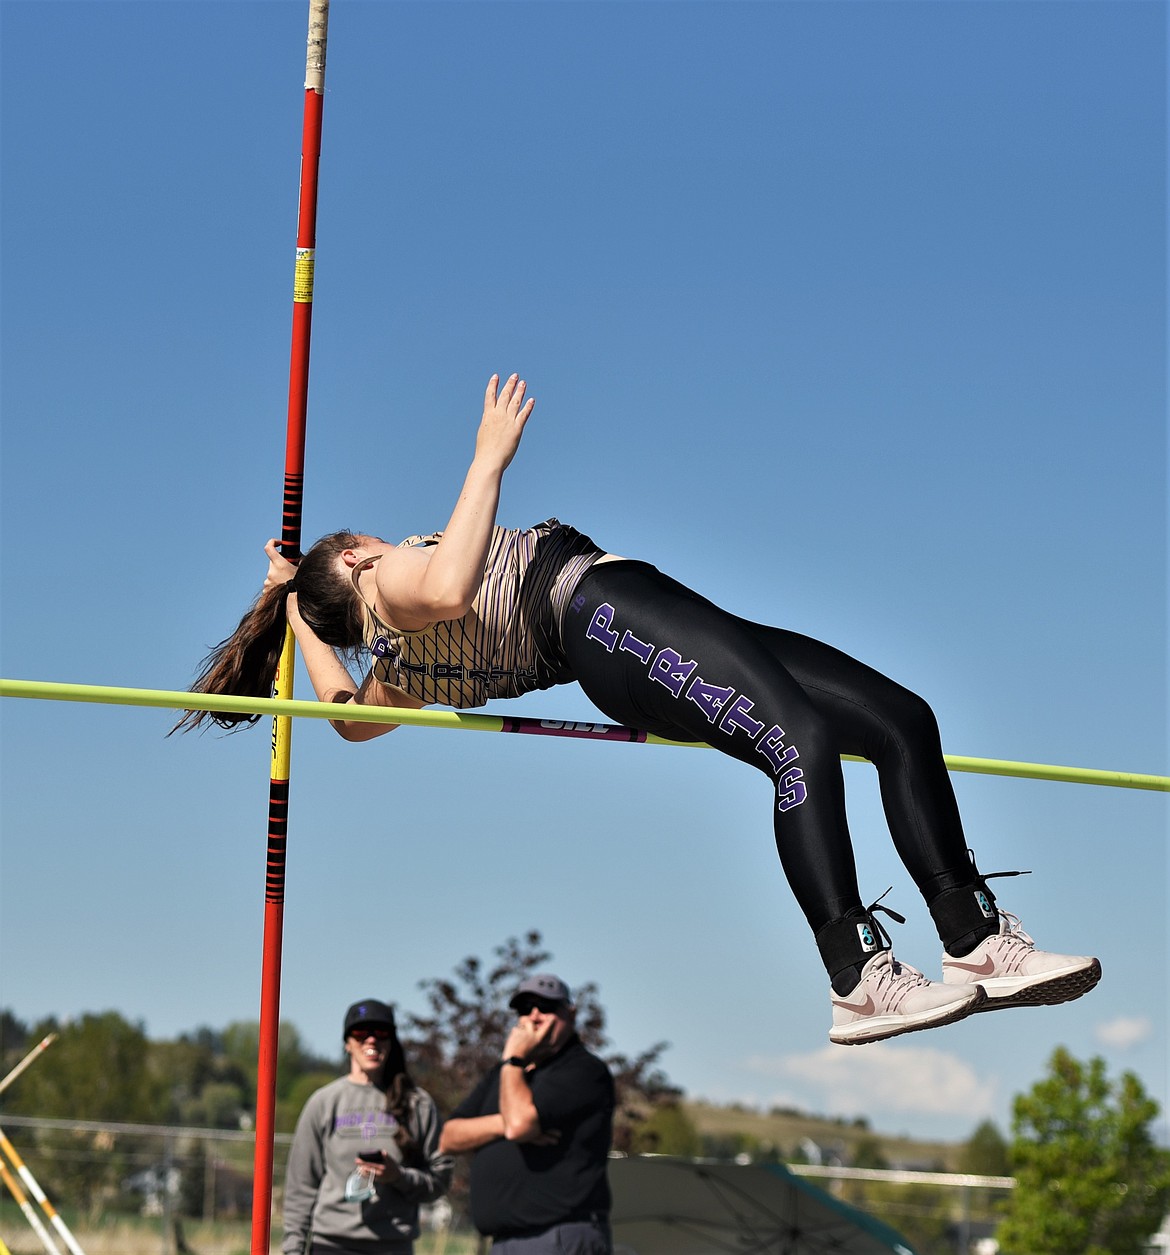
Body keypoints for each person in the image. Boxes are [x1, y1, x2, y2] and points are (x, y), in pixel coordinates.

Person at [180, 373, 1101, 1045]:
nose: (380, 541)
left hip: (631, 627)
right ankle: (856, 975)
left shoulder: (397, 666)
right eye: (366, 547)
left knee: (902, 718)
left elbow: (343, 714)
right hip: (606, 619)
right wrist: (485, 460)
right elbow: (456, 581)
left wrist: (297, 612)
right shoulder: (397, 579)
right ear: (359, 563)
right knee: (803, 740)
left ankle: (974, 939)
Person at [438, 973, 615, 1254]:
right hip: (506, 1241)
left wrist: (515, 1059)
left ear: (570, 1014)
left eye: (546, 1007)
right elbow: (449, 1137)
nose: (534, 1016)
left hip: (558, 1235)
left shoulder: (582, 1069)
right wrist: (502, 1122)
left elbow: (519, 1126)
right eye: (525, 1008)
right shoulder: (505, 1074)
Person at [282, 999, 452, 1255]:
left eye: (380, 1032)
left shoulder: (417, 1104)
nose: (371, 1040)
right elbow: (300, 1188)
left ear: (391, 1041)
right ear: (347, 1043)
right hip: (331, 1245)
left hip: (393, 1246)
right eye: (361, 1033)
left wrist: (399, 1177)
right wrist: (293, 1249)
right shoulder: (324, 1103)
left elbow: (440, 1179)